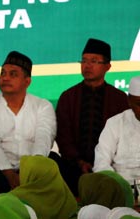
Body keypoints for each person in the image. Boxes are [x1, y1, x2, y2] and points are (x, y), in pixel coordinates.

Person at [55, 38, 129, 194]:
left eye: (94, 61)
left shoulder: (120, 99)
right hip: (74, 167)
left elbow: (126, 137)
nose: (87, 66)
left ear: (107, 66)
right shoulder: (68, 97)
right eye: (84, 61)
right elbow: (63, 135)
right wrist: (79, 161)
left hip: (112, 167)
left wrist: (104, 164)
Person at [0, 51, 56, 193]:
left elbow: (43, 139)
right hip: (0, 169)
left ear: (27, 81)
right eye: (3, 73)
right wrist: (9, 173)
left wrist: (30, 170)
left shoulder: (42, 106)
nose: (5, 78)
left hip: (33, 166)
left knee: (54, 163)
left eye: (13, 74)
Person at [93, 75, 140, 184]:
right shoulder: (115, 123)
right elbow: (101, 162)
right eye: (139, 104)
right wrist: (118, 185)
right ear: (129, 101)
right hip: (121, 186)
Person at [10, 155, 78, 219]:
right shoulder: (69, 203)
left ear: (30, 176)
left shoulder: (14, 202)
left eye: (20, 172)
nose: (18, 176)